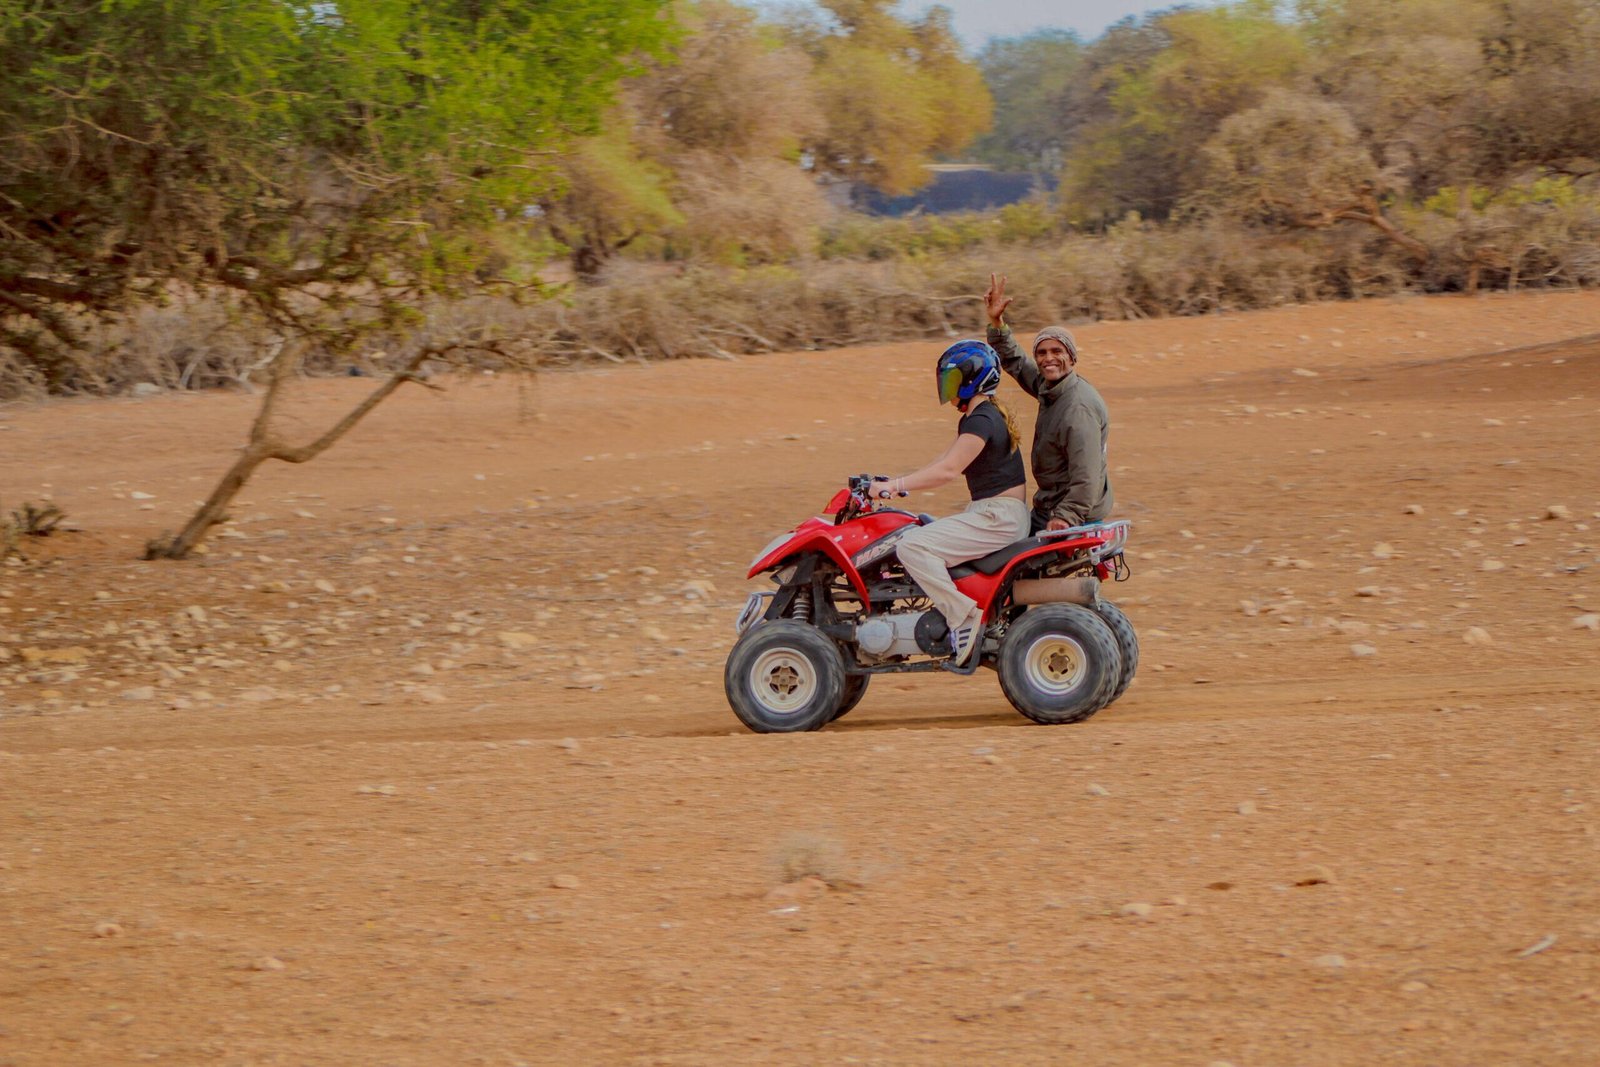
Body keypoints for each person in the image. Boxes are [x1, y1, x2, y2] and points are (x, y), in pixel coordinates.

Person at [866, 340, 1029, 667]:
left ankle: (962, 616)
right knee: (917, 534)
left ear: (974, 379)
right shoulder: (982, 415)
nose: (949, 388)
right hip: (998, 515)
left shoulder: (981, 419)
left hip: (997, 518)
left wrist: (892, 488)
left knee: (912, 547)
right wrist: (893, 484)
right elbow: (943, 461)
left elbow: (948, 470)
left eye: (954, 380)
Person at [983, 273, 1114, 534]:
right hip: (1050, 505)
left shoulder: (1078, 409)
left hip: (1069, 512)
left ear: (1072, 358)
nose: (1048, 359)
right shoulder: (1050, 386)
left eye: (1057, 352)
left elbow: (1087, 475)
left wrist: (1066, 517)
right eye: (1042, 353)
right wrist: (997, 323)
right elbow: (1017, 362)